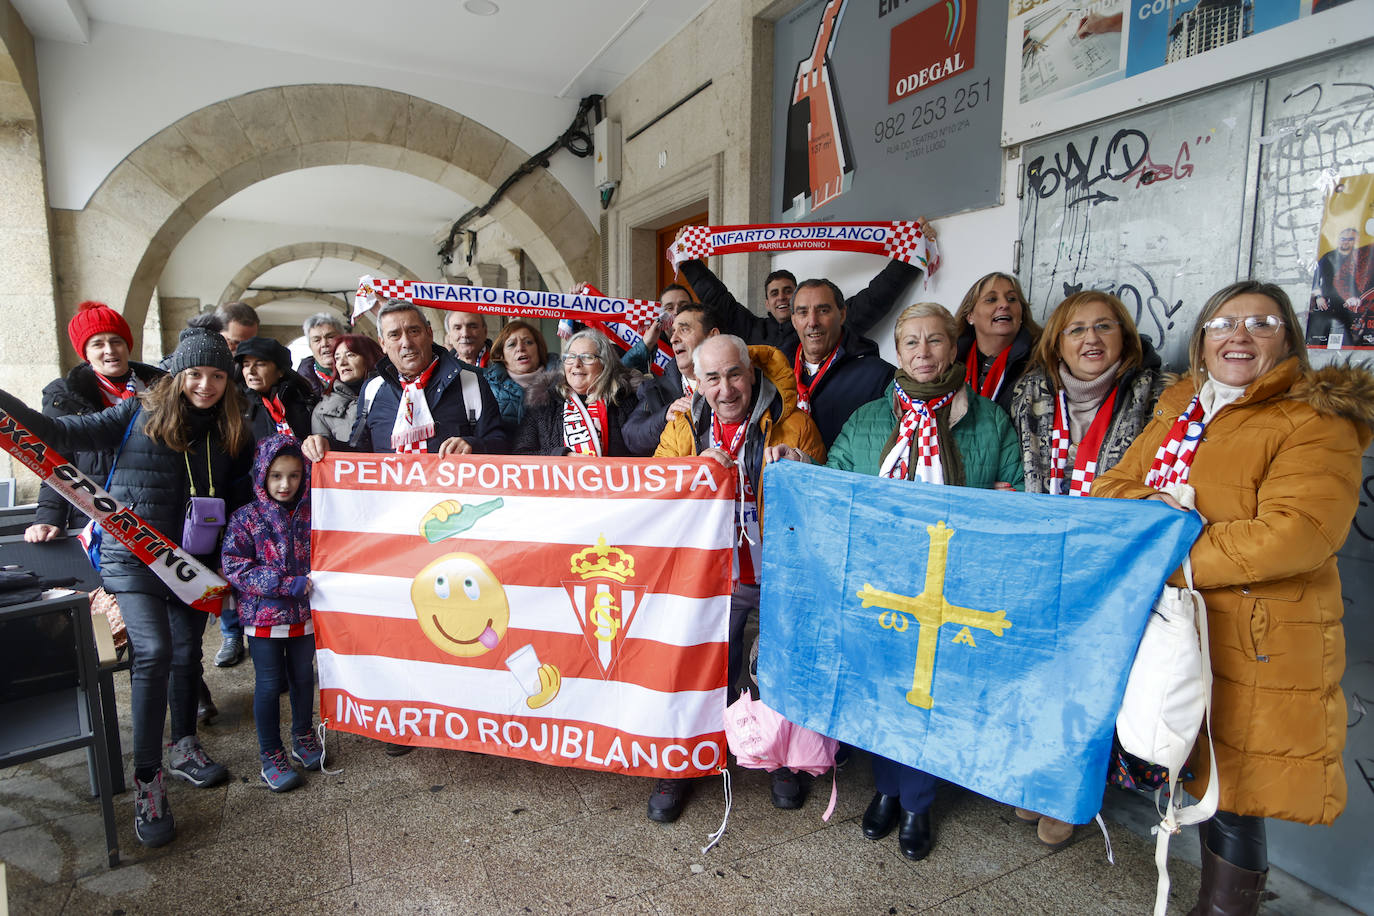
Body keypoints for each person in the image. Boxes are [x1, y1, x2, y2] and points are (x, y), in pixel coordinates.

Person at [1094, 281, 1373, 916]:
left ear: (1288, 338)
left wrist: (1159, 554)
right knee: (1197, 765)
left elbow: (1295, 536)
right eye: (1222, 323)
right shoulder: (1183, 403)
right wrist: (1145, 512)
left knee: (1237, 786)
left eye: (1261, 322)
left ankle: (1227, 908)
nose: (1239, 335)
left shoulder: (1317, 417)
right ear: (1202, 340)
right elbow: (1115, 486)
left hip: (1259, 635)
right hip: (1181, 625)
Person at [0, 324, 253, 847]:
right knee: (155, 651)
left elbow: (240, 492)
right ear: (177, 374)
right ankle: (148, 778)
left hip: (192, 563)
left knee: (186, 655)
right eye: (195, 374)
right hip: (132, 556)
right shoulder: (135, 411)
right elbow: (61, 432)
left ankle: (183, 746)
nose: (205, 385)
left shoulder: (230, 431)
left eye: (216, 376)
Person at [824, 302, 1022, 861]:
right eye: (911, 342)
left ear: (954, 347)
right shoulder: (867, 420)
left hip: (954, 578)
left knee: (934, 690)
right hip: (884, 580)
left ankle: (917, 800)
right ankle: (886, 788)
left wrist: (1004, 501)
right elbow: (835, 488)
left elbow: (1016, 489)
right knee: (888, 685)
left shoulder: (989, 419)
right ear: (898, 351)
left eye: (935, 341)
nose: (923, 353)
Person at [1006, 290, 1162, 846]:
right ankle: (1040, 776)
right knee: (1042, 676)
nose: (1090, 340)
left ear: (1125, 337)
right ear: (1057, 343)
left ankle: (1073, 793)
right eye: (1076, 330)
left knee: (1094, 684)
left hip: (1112, 567)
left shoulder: (1155, 399)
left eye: (1104, 328)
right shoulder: (1029, 396)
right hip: (1045, 559)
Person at [650, 335, 826, 822]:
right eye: (713, 378)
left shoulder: (792, 422)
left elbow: (825, 496)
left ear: (751, 373)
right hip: (710, 577)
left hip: (776, 573)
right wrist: (694, 473)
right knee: (699, 670)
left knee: (776, 668)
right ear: (698, 382)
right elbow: (657, 489)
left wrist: (802, 468)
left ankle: (781, 757)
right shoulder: (685, 424)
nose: (726, 388)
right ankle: (684, 762)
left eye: (735, 375)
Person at [221, 434, 322, 793]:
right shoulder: (246, 518)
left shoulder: (314, 513)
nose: (285, 484)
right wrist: (284, 583)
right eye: (277, 475)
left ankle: (303, 735)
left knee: (304, 677)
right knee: (267, 685)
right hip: (263, 617)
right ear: (263, 474)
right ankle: (271, 753)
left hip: (306, 616)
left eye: (294, 475)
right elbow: (234, 566)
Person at [25, 301, 166, 542]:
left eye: (116, 341)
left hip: (157, 510)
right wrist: (48, 517)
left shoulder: (162, 386)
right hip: (97, 514)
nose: (110, 350)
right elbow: (56, 460)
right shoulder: (64, 396)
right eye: (98, 344)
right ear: (85, 353)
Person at [301, 300, 509, 458]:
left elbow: (501, 444)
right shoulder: (372, 389)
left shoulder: (470, 382)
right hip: (391, 508)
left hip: (452, 508)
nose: (406, 343)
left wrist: (474, 445)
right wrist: (327, 444)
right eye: (394, 335)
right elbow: (359, 450)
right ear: (382, 343)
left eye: (414, 331)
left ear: (429, 333)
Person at [515, 330, 641, 456]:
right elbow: (520, 454)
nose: (576, 364)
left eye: (587, 357)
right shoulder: (544, 402)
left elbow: (644, 456)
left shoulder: (625, 401)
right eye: (571, 357)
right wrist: (563, 456)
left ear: (605, 363)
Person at [622, 302, 721, 455]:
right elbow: (631, 437)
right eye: (673, 331)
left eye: (684, 329)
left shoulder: (737, 380)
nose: (673, 339)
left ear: (712, 336)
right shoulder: (654, 389)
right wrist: (664, 416)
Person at [953, 272, 1042, 414]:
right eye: (991, 299)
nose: (1005, 304)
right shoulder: (950, 364)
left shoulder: (1042, 359)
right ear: (970, 315)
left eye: (1012, 299)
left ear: (1022, 313)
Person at [234, 336, 317, 442]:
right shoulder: (236, 406)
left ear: (280, 371)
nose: (251, 371)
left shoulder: (304, 401)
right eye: (246, 365)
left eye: (260, 364)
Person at [311, 334, 384, 447]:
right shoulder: (322, 410)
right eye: (337, 358)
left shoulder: (394, 393)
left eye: (350, 355)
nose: (342, 363)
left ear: (369, 357)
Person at [619, 283, 692, 372]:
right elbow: (621, 374)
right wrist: (646, 345)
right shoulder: (652, 344)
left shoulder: (704, 338)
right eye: (669, 308)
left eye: (683, 306)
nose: (676, 312)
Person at [297, 312, 347, 398]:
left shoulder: (359, 374)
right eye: (317, 340)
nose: (324, 344)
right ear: (310, 346)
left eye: (330, 337)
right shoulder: (299, 384)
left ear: (343, 340)